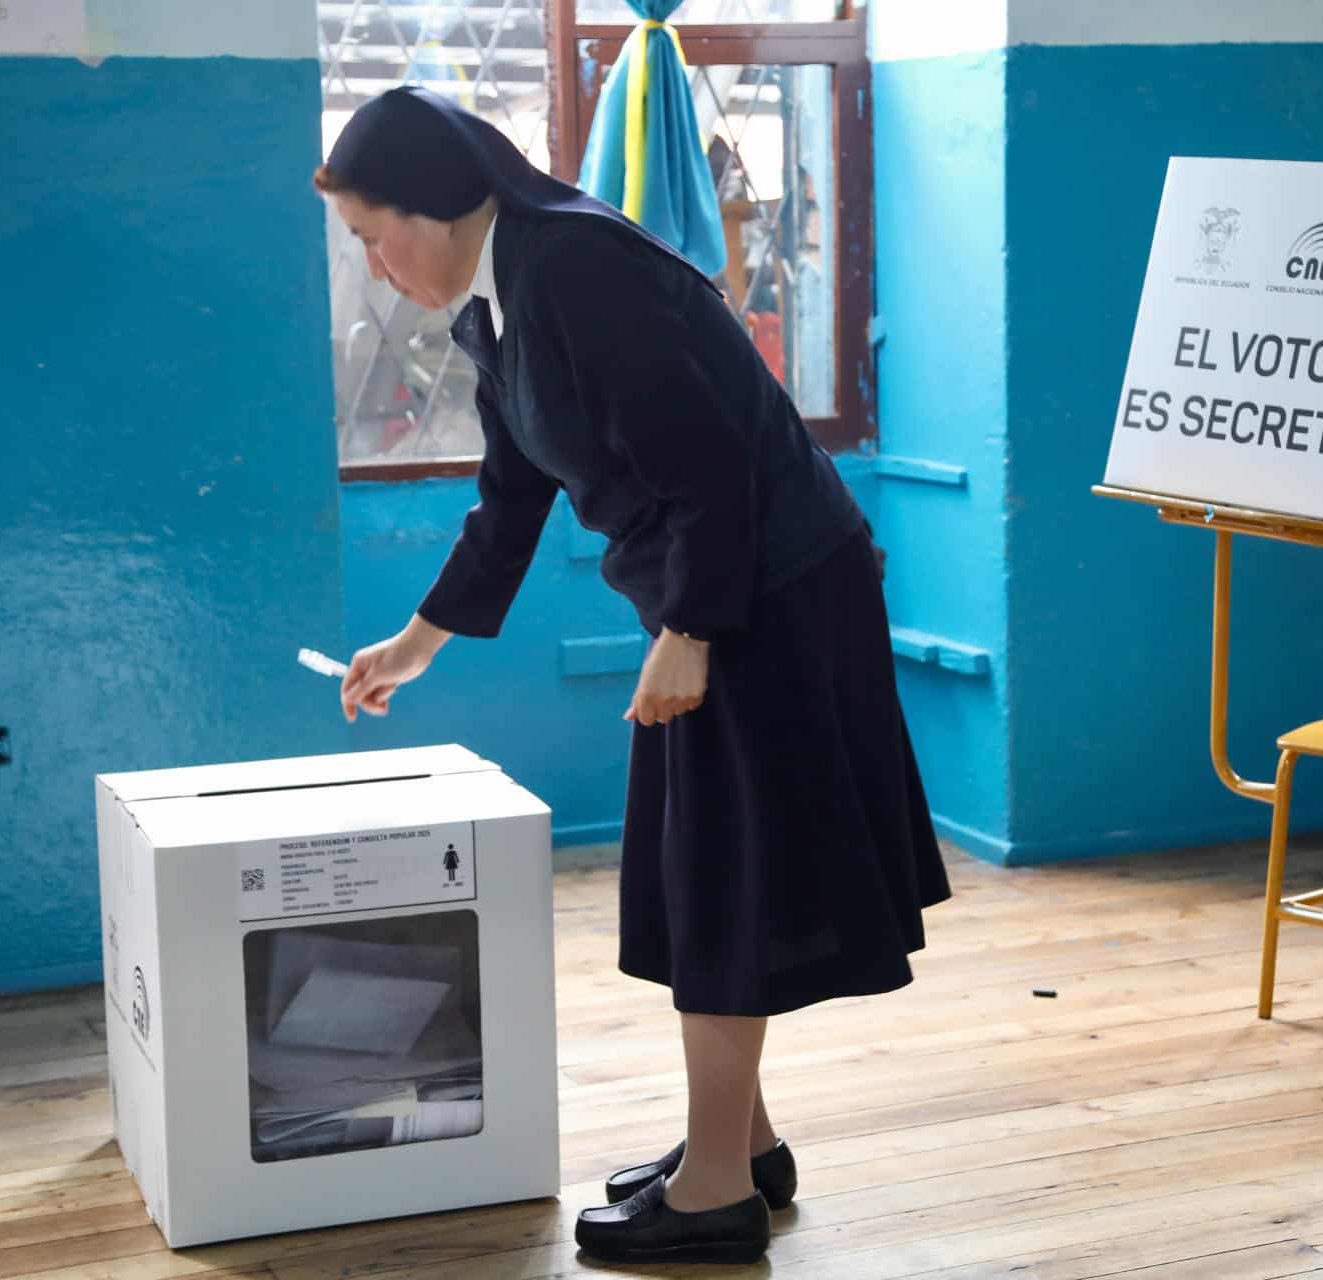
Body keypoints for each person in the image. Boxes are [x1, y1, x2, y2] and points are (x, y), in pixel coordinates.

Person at [321, 88, 950, 1266]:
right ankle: (742, 1147)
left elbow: (712, 463)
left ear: (440, 202)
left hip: (765, 597)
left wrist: (693, 630)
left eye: (371, 230)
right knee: (703, 873)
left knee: (719, 881)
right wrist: (418, 640)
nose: (370, 261)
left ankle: (716, 1194)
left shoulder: (576, 271)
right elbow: (513, 495)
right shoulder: (498, 303)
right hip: (715, 596)